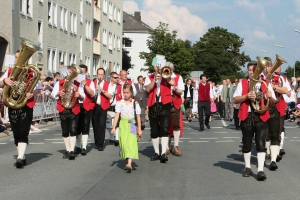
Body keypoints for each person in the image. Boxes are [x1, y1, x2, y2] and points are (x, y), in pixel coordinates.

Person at [233, 60, 276, 181]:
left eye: (254, 70)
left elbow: (272, 103)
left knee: (261, 144)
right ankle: (247, 167)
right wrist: (246, 96)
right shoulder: (242, 82)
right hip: (246, 116)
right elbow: (235, 99)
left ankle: (261, 170)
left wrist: (269, 96)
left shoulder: (266, 82)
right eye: (250, 70)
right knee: (246, 143)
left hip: (261, 116)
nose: (251, 73)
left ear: (260, 71)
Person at [0, 50, 38, 168]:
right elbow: (0, 84)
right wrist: (5, 81)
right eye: (16, 57)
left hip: (26, 104)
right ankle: (22, 156)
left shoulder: (31, 72)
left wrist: (32, 93)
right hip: (12, 104)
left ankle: (20, 158)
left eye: (20, 57)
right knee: (16, 132)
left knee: (23, 131)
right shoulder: (9, 71)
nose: (18, 59)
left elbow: (37, 89)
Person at [52, 65, 85, 160]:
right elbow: (53, 94)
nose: (70, 75)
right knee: (65, 130)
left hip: (74, 108)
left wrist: (79, 95)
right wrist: (58, 93)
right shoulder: (59, 83)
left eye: (72, 73)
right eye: (69, 73)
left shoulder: (78, 84)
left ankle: (71, 151)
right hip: (63, 108)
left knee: (73, 129)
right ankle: (67, 149)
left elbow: (83, 97)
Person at [145, 62, 175, 163]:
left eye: (159, 66)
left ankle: (163, 153)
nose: (158, 68)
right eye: (156, 66)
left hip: (165, 104)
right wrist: (155, 79)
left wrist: (164, 75)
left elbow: (173, 82)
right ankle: (156, 152)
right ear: (154, 67)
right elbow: (148, 88)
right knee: (154, 130)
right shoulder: (149, 76)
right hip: (153, 105)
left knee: (164, 128)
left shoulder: (167, 75)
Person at [264, 57, 291, 164]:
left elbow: (287, 91)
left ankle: (275, 153)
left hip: (279, 106)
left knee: (278, 130)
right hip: (265, 106)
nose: (268, 68)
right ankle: (266, 150)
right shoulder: (262, 77)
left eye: (269, 66)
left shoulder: (281, 78)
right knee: (266, 132)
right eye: (265, 66)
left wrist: (274, 87)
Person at [111, 84, 142, 173]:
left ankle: (129, 163)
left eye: (127, 93)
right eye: (124, 93)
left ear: (132, 93)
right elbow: (117, 115)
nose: (126, 94)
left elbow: (138, 116)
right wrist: (114, 127)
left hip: (131, 124)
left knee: (131, 144)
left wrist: (139, 129)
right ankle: (126, 162)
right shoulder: (120, 103)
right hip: (123, 124)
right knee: (124, 144)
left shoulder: (135, 103)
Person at [74, 64, 95, 155]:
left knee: (85, 126)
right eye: (79, 72)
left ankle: (84, 147)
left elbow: (92, 94)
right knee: (77, 127)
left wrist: (85, 85)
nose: (81, 74)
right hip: (76, 105)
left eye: (83, 72)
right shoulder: (74, 82)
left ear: (86, 73)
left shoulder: (90, 82)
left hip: (86, 106)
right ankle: (78, 146)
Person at [92, 68, 115, 151]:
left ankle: (101, 144)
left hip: (103, 106)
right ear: (96, 75)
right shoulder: (93, 83)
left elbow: (110, 96)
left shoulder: (108, 84)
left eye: (102, 74)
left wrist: (102, 90)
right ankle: (97, 142)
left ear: (104, 75)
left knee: (102, 125)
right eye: (99, 74)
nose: (100, 76)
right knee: (95, 125)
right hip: (95, 106)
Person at [165, 62, 184, 156]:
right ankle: (167, 147)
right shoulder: (162, 77)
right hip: (165, 102)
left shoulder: (178, 77)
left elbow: (181, 91)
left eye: (169, 68)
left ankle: (176, 146)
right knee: (166, 125)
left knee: (176, 124)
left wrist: (175, 89)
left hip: (175, 102)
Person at [107, 72, 119, 145]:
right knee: (108, 123)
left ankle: (117, 138)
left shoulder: (118, 86)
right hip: (108, 105)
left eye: (117, 77)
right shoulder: (107, 85)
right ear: (111, 78)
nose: (116, 79)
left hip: (116, 105)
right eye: (115, 77)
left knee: (116, 122)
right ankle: (111, 137)